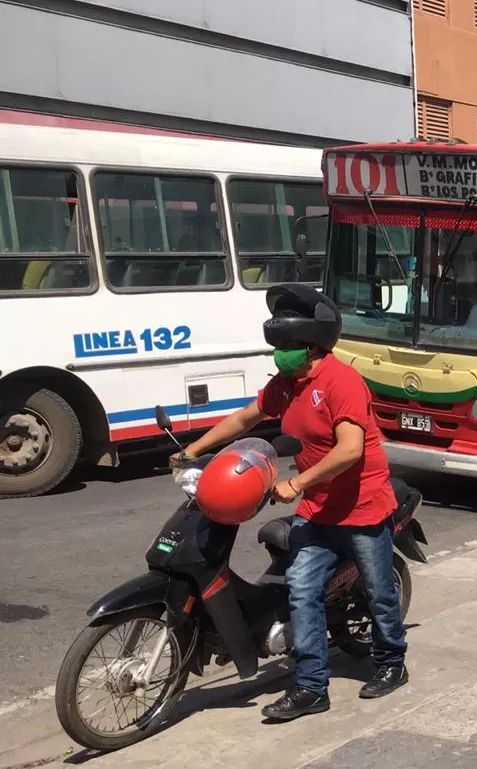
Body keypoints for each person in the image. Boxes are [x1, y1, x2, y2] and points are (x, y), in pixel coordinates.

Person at [172, 284, 409, 721]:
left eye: (288, 347)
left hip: (362, 509)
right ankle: (311, 688)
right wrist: (193, 450)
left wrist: (297, 482)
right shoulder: (287, 384)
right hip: (318, 510)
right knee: (301, 590)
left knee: (378, 593)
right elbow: (246, 418)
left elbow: (350, 449)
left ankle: (392, 663)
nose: (280, 355)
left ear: (313, 345)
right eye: (277, 346)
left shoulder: (342, 382)